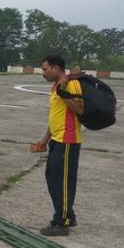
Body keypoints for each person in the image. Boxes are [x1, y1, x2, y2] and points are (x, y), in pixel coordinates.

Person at [32, 54, 84, 236]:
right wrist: (45, 140)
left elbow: (79, 109)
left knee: (62, 182)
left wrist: (64, 93)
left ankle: (62, 223)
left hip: (68, 140)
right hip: (57, 139)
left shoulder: (70, 84)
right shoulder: (56, 86)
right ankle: (67, 214)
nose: (43, 73)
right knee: (52, 178)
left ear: (56, 68)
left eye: (45, 69)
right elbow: (55, 117)